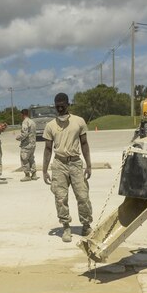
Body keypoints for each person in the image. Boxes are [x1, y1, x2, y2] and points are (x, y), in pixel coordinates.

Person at [42, 93, 93, 243]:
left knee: (83, 196)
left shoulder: (79, 121)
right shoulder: (50, 125)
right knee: (60, 198)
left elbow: (84, 143)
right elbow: (47, 149)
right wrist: (44, 171)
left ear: (68, 105)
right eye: (57, 106)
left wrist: (88, 165)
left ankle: (86, 225)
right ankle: (66, 227)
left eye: (62, 105)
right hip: (59, 164)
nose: (60, 108)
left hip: (76, 163)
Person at [17, 109, 38, 181]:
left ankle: (27, 175)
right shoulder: (32, 122)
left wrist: (18, 138)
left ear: (22, 115)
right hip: (33, 144)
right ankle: (34, 174)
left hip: (26, 145)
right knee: (31, 159)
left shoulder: (25, 122)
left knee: (24, 159)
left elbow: (25, 133)